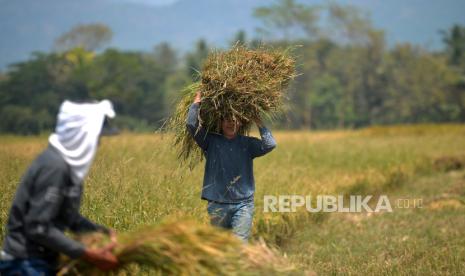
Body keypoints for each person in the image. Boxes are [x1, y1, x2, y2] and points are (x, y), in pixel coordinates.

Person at [0, 100, 119, 275]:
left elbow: (68, 218)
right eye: (97, 137)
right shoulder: (54, 168)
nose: (98, 143)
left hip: (40, 262)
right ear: (81, 135)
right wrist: (88, 254)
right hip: (25, 264)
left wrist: (103, 232)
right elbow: (38, 226)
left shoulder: (65, 168)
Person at [186, 91, 276, 242]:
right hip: (217, 204)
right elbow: (191, 124)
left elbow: (270, 144)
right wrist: (196, 103)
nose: (231, 123)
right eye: (227, 120)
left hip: (243, 204)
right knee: (220, 246)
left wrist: (258, 121)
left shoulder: (248, 144)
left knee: (240, 245)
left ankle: (239, 266)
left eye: (234, 120)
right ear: (220, 123)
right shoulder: (210, 141)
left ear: (240, 123)